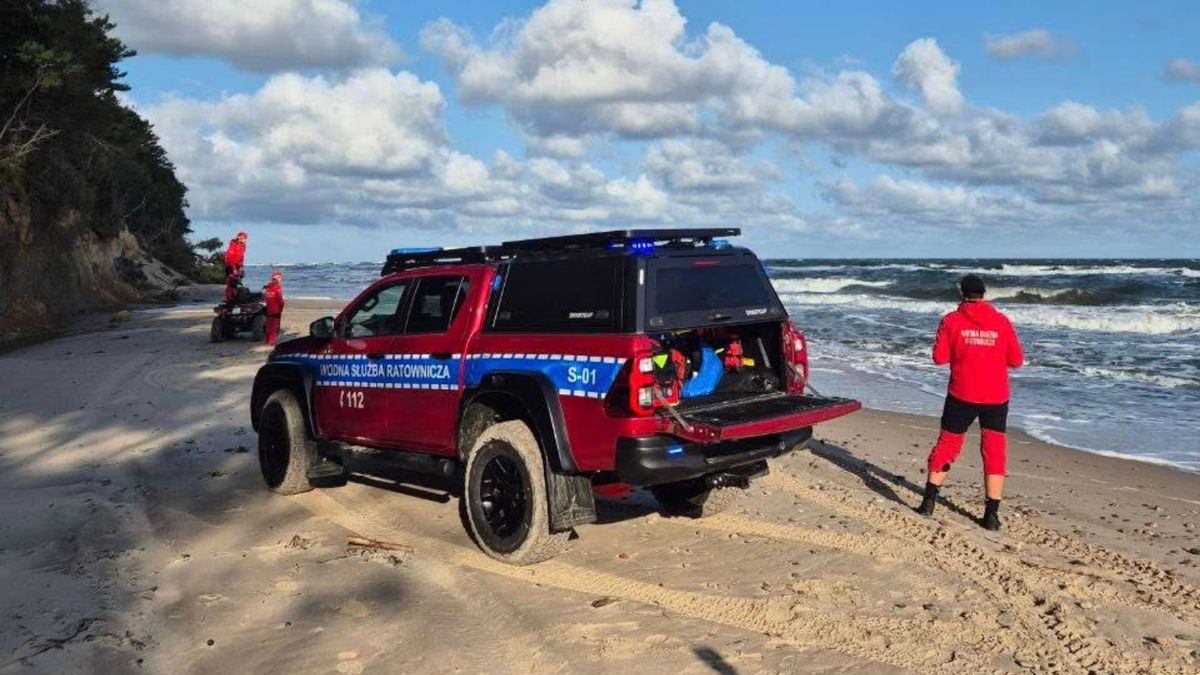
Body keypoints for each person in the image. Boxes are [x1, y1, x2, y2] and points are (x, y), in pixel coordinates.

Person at [917, 274, 1024, 530]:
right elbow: (1016, 360)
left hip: (961, 393)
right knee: (994, 450)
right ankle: (991, 515)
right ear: (984, 294)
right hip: (996, 396)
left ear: (962, 294)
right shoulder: (1001, 322)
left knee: (948, 444)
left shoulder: (951, 321)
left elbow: (939, 358)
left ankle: (929, 502)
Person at [263, 270, 285, 346]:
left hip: (269, 309)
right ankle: (271, 342)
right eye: (279, 277)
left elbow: (265, 298)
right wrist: (281, 308)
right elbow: (280, 301)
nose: (281, 279)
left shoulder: (268, 289)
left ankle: (267, 340)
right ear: (277, 278)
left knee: (269, 325)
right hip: (276, 309)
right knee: (274, 326)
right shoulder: (277, 288)